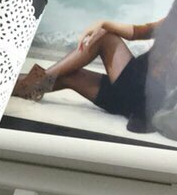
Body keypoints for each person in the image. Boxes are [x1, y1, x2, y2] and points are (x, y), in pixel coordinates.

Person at [13, 11, 169, 131]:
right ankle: (13, 85)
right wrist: (104, 23)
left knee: (105, 37)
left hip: (142, 94)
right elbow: (139, 31)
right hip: (134, 97)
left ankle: (30, 84)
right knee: (71, 76)